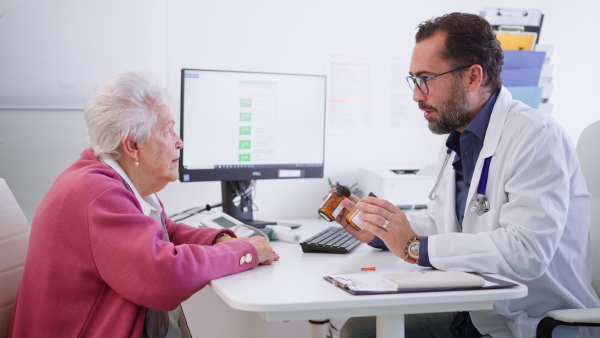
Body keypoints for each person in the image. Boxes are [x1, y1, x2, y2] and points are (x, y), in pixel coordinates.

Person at [334, 12, 600, 338]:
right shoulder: (458, 141)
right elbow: (444, 226)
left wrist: (417, 247)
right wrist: (383, 229)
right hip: (476, 312)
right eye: (413, 81)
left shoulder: (536, 136)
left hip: (531, 323)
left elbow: (527, 251)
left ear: (473, 77)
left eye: (426, 79)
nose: (417, 95)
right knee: (360, 331)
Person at [9, 71, 279, 337]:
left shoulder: (111, 178)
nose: (179, 142)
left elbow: (164, 231)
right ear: (133, 146)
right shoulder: (99, 196)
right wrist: (245, 252)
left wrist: (219, 240)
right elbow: (164, 277)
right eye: (168, 130)